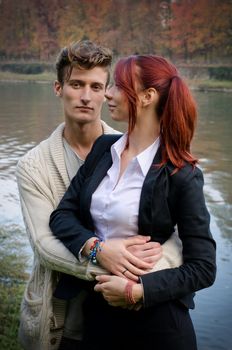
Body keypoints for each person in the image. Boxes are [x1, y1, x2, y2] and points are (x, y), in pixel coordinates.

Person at [49, 54, 217, 350]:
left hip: (157, 328)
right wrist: (96, 248)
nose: (108, 93)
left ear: (147, 96)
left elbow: (203, 267)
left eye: (118, 85)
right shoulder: (103, 149)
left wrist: (138, 291)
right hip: (98, 318)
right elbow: (62, 215)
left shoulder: (181, 174)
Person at [16, 41, 164, 350]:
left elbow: (173, 236)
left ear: (108, 91)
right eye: (76, 84)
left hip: (125, 316)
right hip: (61, 319)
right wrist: (103, 255)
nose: (86, 96)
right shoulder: (33, 165)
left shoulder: (136, 152)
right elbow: (45, 245)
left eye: (96, 86)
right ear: (59, 88)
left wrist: (143, 287)